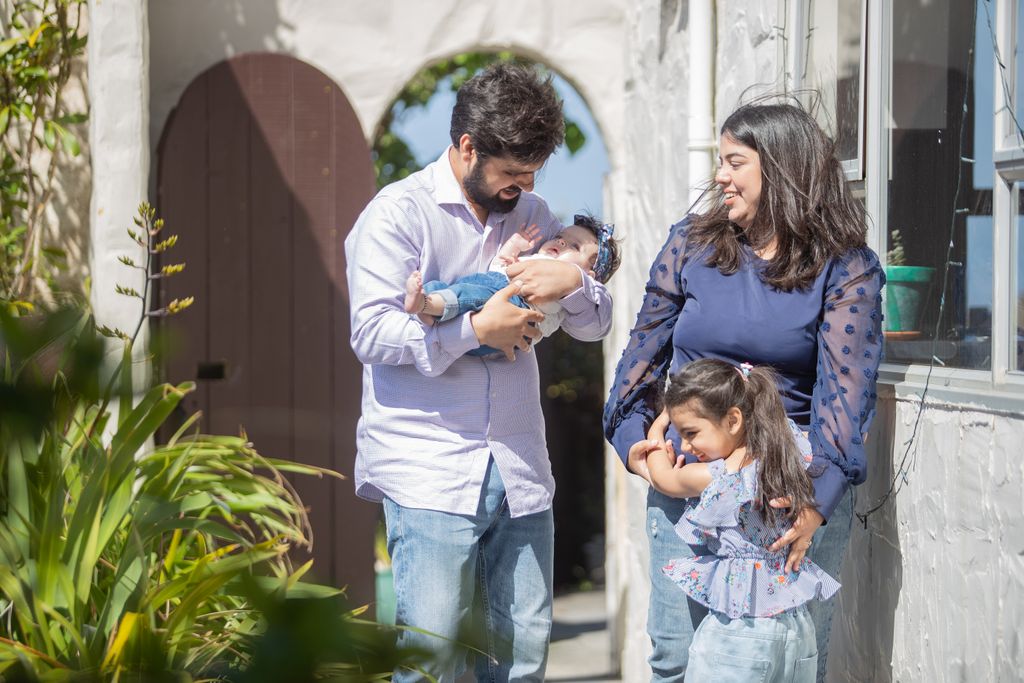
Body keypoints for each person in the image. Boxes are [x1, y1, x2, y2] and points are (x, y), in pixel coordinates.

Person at [345, 62, 612, 682]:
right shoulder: (397, 214)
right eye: (512, 172)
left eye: (534, 172)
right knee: (434, 663)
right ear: (467, 147)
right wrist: (473, 333)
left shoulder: (537, 214)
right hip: (429, 469)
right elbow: (371, 332)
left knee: (521, 664)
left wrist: (574, 278)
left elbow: (593, 327)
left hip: (519, 466)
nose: (524, 186)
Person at [603, 101, 884, 682]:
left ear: (780, 168)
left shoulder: (845, 268)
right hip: (687, 487)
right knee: (677, 660)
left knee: (787, 664)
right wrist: (639, 451)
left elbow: (846, 398)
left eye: (735, 161)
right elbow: (637, 367)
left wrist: (816, 503)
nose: (719, 176)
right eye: (719, 160)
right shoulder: (692, 245)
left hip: (788, 497)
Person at [631, 359, 840, 682]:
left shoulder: (720, 476)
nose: (686, 446)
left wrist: (658, 434)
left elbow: (664, 479)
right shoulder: (790, 454)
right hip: (796, 629)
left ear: (733, 420)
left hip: (740, 631)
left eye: (691, 433)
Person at [404, 213, 620, 355]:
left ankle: (428, 305)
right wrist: (513, 247)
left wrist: (574, 281)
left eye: (574, 246)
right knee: (465, 290)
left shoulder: (573, 295)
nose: (561, 242)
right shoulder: (536, 254)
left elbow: (596, 325)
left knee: (470, 293)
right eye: (561, 236)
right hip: (495, 287)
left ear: (590, 275)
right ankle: (430, 305)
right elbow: (501, 267)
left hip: (518, 309)